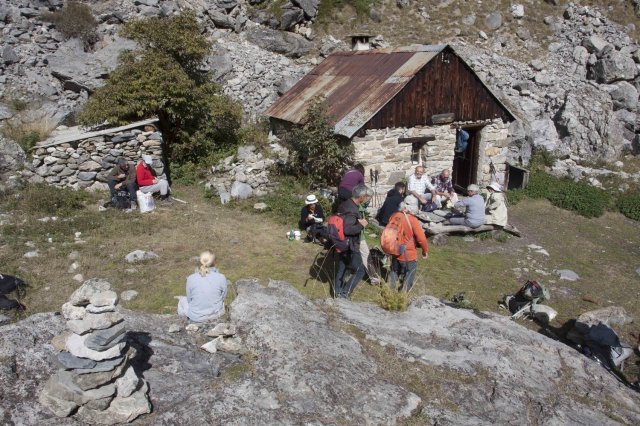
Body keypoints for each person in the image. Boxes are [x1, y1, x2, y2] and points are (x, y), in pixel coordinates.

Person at [334, 184, 372, 299]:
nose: (366, 199)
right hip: (350, 245)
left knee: (343, 268)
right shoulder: (352, 209)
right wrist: (361, 225)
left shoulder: (344, 205)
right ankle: (345, 293)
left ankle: (338, 292)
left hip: (341, 242)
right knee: (360, 270)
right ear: (361, 196)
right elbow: (348, 229)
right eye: (366, 197)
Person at [386, 198, 429, 292]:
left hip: (394, 249)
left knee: (394, 271)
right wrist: (425, 251)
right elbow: (421, 239)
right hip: (408, 253)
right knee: (409, 273)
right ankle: (402, 296)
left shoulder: (394, 215)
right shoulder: (413, 220)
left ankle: (388, 293)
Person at [177, 251, 227, 322]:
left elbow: (189, 299)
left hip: (196, 317)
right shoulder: (222, 277)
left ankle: (185, 320)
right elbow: (223, 297)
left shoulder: (191, 278)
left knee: (182, 300)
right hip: (217, 314)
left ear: (201, 261)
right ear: (215, 262)